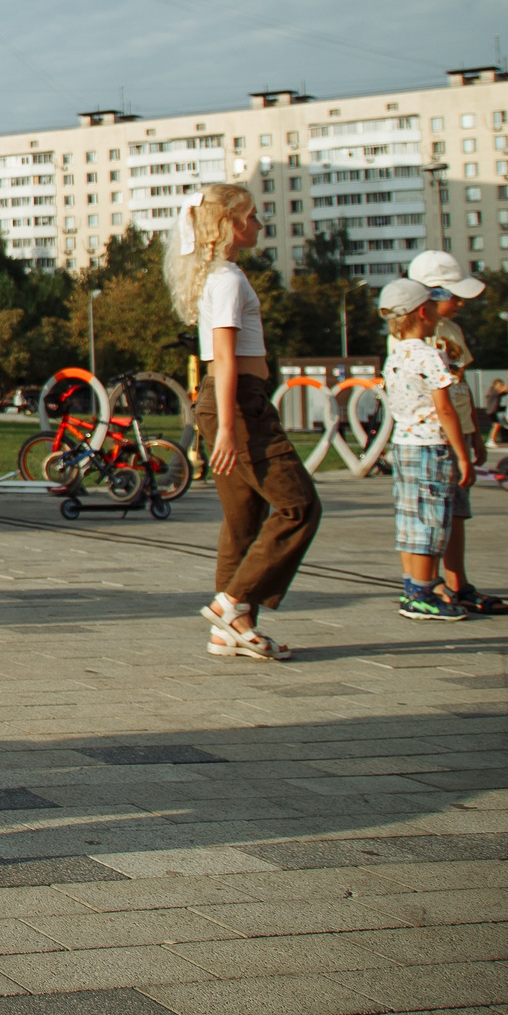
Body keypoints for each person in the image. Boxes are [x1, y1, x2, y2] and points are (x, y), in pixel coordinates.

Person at [168, 182, 318, 662]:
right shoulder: (229, 279)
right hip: (240, 404)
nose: (259, 225)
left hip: (228, 403)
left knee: (242, 521)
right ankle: (230, 603)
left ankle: (233, 629)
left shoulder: (218, 276)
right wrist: (231, 428)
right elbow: (226, 360)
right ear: (229, 223)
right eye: (252, 216)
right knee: (299, 506)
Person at [406, 250, 506, 615]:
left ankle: (457, 582)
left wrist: (473, 433)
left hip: (458, 432)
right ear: (428, 297)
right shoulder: (416, 337)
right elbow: (435, 396)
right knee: (431, 514)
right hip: (433, 434)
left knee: (457, 511)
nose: (461, 301)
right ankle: (422, 586)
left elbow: (461, 389)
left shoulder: (451, 331)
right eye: (453, 294)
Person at [378, 278, 476, 623]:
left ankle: (413, 586)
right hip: (431, 445)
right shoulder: (428, 355)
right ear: (424, 312)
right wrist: (463, 453)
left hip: (403, 445)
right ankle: (421, 593)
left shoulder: (394, 357)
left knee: (409, 518)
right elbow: (445, 409)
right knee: (431, 520)